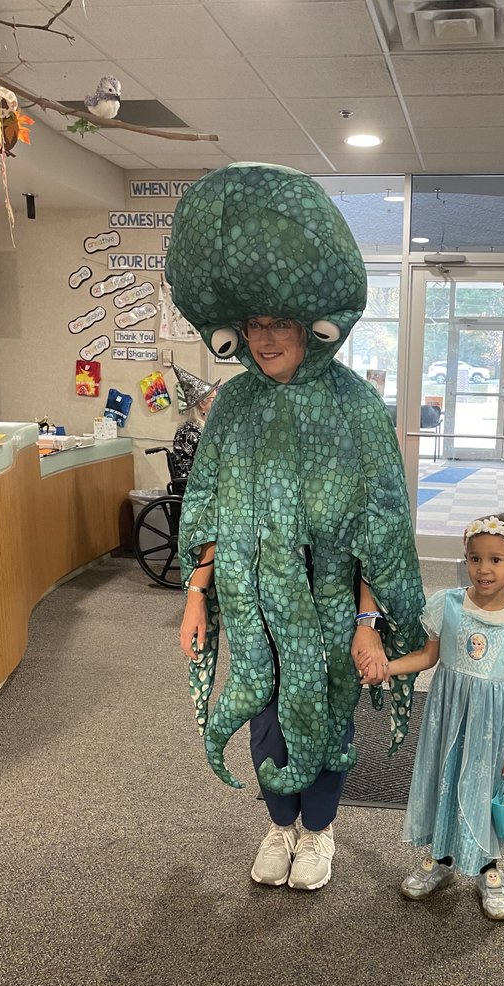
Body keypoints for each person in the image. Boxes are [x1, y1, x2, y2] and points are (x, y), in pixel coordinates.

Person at [168, 164, 424, 894]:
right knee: (265, 713)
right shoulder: (235, 406)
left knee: (330, 712)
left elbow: (380, 522)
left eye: (278, 322)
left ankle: (320, 833)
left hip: (334, 601)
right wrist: (197, 592)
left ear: (311, 324)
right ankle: (279, 825)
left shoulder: (355, 408)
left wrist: (370, 619)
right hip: (252, 602)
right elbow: (210, 503)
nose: (265, 337)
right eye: (253, 324)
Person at [385, 514, 504, 921]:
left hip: (491, 727)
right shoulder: (448, 604)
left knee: (482, 787)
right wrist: (385, 668)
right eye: (475, 559)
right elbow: (428, 656)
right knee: (443, 779)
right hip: (447, 716)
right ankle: (441, 860)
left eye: (496, 560)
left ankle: (487, 869)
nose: (483, 569)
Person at [170, 366, 219, 479]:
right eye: (214, 399)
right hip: (193, 486)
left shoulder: (199, 428)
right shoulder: (189, 432)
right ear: (202, 404)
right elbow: (211, 459)